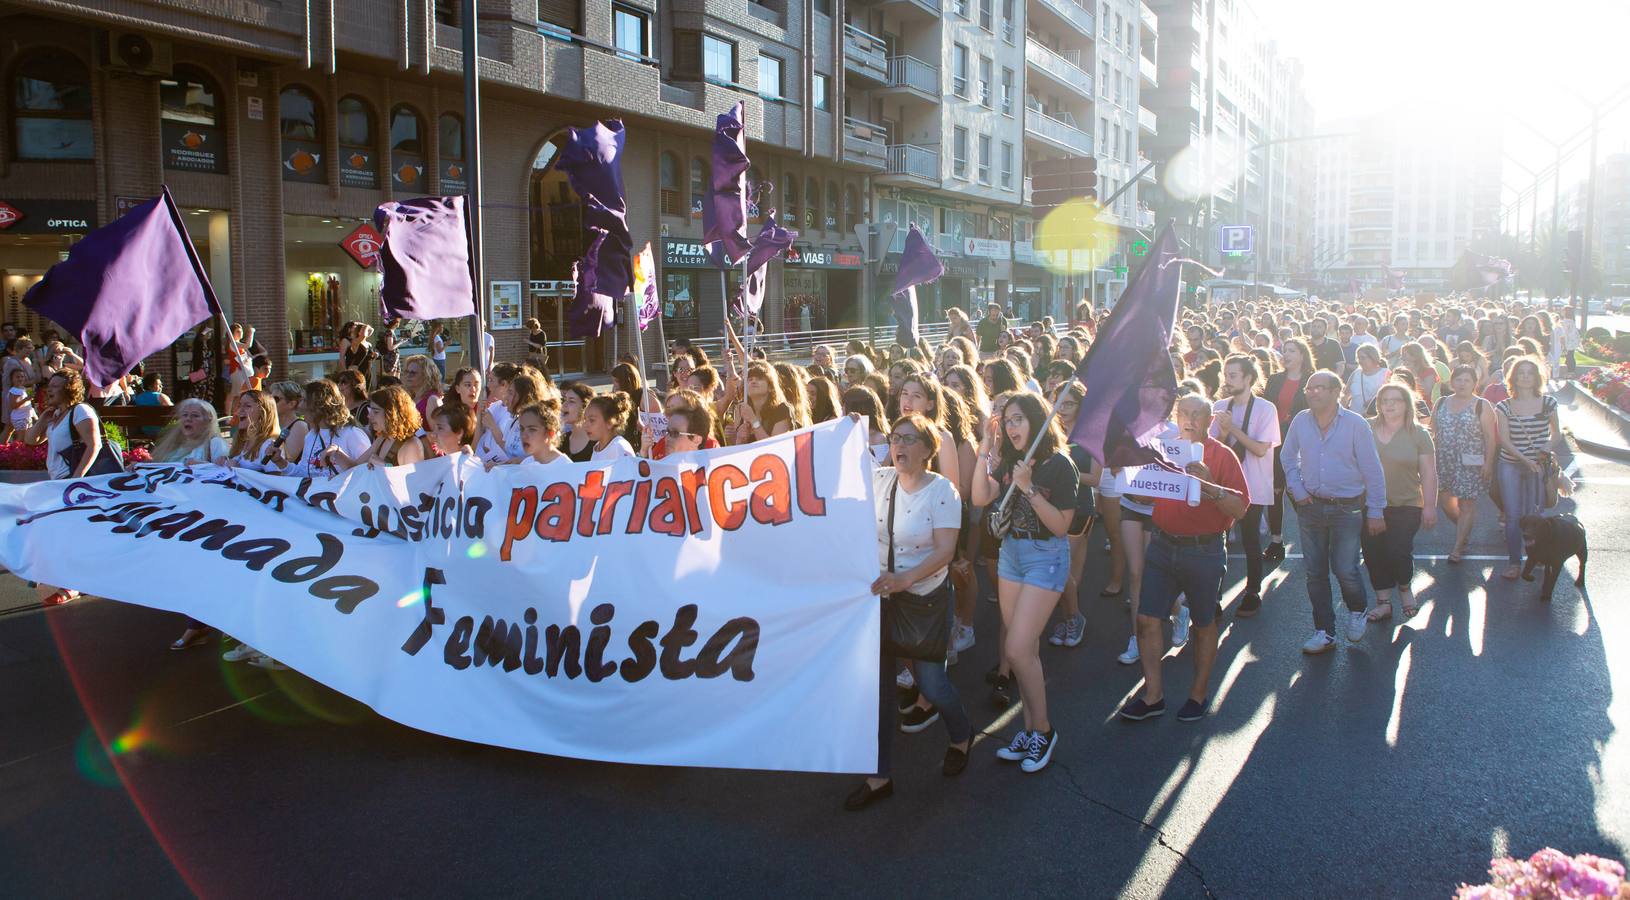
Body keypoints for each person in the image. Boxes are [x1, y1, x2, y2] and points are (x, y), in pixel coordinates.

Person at [844, 413, 971, 810]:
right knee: (877, 692)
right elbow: (840, 470)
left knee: (932, 686)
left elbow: (946, 551)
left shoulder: (943, 491)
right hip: (879, 600)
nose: (900, 445)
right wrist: (844, 432)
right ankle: (879, 776)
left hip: (924, 600)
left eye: (910, 439)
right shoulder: (880, 481)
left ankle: (961, 735)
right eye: (896, 438)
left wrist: (906, 578)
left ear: (928, 450)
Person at [1118, 394, 1249, 722]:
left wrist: (1210, 484)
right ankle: (1153, 696)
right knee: (1147, 620)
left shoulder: (1223, 455)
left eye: (1197, 414)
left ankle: (1198, 696)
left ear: (1209, 421)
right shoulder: (1163, 450)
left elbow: (1240, 508)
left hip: (1203, 550)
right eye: (1184, 413)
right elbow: (1139, 493)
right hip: (1162, 546)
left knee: (1204, 624)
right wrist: (1131, 471)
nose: (1189, 419)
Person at [971, 391, 1077, 773]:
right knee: (1024, 649)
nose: (1012, 426)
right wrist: (985, 444)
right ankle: (1030, 728)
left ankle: (1045, 731)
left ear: (1036, 421)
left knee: (1015, 650)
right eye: (1008, 420)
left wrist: (1029, 488)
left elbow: (1062, 525)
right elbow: (979, 497)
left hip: (1045, 559)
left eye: (1018, 419)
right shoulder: (1012, 460)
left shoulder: (1060, 466)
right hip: (1011, 557)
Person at [1281, 370, 1388, 655]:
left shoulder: (1356, 424)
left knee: (1345, 569)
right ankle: (1324, 632)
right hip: (1310, 506)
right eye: (1309, 387)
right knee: (1315, 573)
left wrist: (1376, 510)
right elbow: (1287, 456)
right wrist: (1296, 488)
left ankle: (1357, 609)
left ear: (1335, 391)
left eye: (1319, 387)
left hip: (1348, 508)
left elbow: (1372, 470)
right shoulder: (1301, 421)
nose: (1312, 392)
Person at [1361, 383, 1437, 622]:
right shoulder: (1365, 428)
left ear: (1407, 404)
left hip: (1407, 504)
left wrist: (1430, 506)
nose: (1389, 405)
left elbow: (1428, 473)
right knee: (1373, 553)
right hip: (1370, 504)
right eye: (1384, 400)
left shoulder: (1419, 434)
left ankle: (1404, 587)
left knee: (1398, 550)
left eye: (1395, 400)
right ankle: (1383, 602)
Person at [1211, 354, 1280, 617]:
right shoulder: (1219, 405)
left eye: (1233, 375)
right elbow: (1215, 446)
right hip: (1222, 485)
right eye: (1225, 375)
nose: (1226, 380)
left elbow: (1261, 450)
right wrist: (1226, 431)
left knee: (1251, 539)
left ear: (1248, 378)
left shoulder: (1265, 409)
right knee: (1219, 540)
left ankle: (1252, 591)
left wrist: (1234, 428)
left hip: (1253, 484)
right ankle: (1214, 594)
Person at [1494, 356, 1563, 581]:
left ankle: (1538, 556)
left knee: (1536, 514)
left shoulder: (1549, 403)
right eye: (1520, 372)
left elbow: (1557, 433)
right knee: (1513, 515)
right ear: (1513, 377)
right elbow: (1504, 440)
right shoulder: (1504, 406)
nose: (1525, 376)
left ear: (1537, 377)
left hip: (1538, 464)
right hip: (1512, 463)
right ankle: (1514, 562)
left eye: (1529, 372)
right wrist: (1525, 460)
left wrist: (1544, 450)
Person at [1433, 365, 1497, 563]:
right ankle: (1464, 528)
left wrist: (1488, 463)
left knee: (1466, 503)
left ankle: (1458, 547)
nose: (1462, 384)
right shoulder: (1441, 402)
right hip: (1444, 460)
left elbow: (1490, 438)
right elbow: (1433, 432)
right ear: (1452, 382)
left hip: (1471, 462)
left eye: (1467, 380)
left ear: (1474, 384)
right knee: (1445, 501)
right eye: (1458, 380)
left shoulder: (1482, 405)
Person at [1263, 337, 1312, 562]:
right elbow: (1265, 410)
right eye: (1284, 351)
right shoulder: (1274, 380)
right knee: (1275, 491)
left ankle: (1314, 537)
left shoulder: (1312, 379)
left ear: (1302, 354)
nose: (1287, 354)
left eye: (1292, 350)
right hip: (1275, 440)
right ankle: (1276, 541)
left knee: (1298, 489)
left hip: (1302, 442)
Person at [275, 380, 370, 477]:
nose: (299, 406)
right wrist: (280, 461)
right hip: (316, 491)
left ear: (320, 405)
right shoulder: (311, 436)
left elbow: (368, 471)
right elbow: (304, 473)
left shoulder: (352, 434)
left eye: (304, 400)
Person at [324, 387, 427, 470]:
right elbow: (354, 468)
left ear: (393, 414)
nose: (369, 416)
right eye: (370, 411)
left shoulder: (411, 444)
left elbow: (413, 484)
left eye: (376, 412)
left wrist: (386, 467)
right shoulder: (383, 438)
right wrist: (337, 452)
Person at [151, 398, 228, 465]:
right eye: (185, 415)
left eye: (195, 415)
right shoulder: (174, 443)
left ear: (208, 421)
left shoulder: (215, 443)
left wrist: (201, 465)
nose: (188, 419)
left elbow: (223, 471)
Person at [582, 392, 637, 461]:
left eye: (592, 420)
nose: (585, 425)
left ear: (610, 422)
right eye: (584, 419)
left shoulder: (619, 447)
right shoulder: (597, 447)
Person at [558, 381, 596, 461]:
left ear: (585, 406)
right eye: (564, 400)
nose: (564, 404)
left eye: (571, 401)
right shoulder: (560, 440)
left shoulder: (598, 443)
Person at [1345, 343, 1388, 414]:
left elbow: (1390, 395)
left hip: (1376, 417)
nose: (1360, 361)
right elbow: (1345, 396)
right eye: (1358, 358)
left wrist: (1373, 402)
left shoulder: (1385, 373)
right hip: (1355, 417)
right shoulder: (1356, 373)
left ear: (1373, 357)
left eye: (1363, 358)